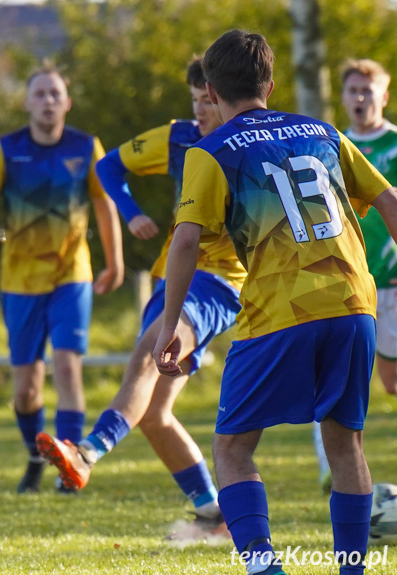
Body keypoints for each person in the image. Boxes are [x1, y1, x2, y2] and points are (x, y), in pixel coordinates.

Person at [154, 29, 397, 575]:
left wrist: (171, 325)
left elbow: (187, 241)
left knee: (233, 449)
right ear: (271, 82)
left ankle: (265, 568)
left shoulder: (209, 150)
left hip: (281, 310)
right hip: (356, 302)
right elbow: (389, 200)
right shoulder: (324, 131)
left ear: (210, 92)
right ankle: (351, 570)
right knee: (344, 442)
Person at [36, 58, 245, 538]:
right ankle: (214, 512)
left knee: (151, 354)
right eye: (193, 99)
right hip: (173, 273)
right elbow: (108, 166)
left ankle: (86, 453)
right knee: (154, 414)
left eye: (207, 100)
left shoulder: (248, 144)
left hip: (220, 282)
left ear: (224, 97)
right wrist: (129, 212)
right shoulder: (180, 137)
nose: (200, 109)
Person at [0, 64, 125, 494]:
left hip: (71, 274)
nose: (48, 101)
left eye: (55, 93)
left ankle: (72, 467)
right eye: (39, 94)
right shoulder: (5, 149)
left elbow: (104, 205)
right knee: (26, 389)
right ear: (27, 102)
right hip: (18, 280)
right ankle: (36, 457)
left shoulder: (86, 146)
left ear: (67, 102)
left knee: (68, 367)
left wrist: (115, 262)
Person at [313, 58, 397, 495]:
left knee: (391, 383)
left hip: (392, 282)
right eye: (353, 91)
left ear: (384, 96)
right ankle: (335, 470)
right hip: (345, 283)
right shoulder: (328, 147)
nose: (360, 98)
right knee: (335, 380)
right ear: (342, 97)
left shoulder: (395, 147)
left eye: (369, 91)